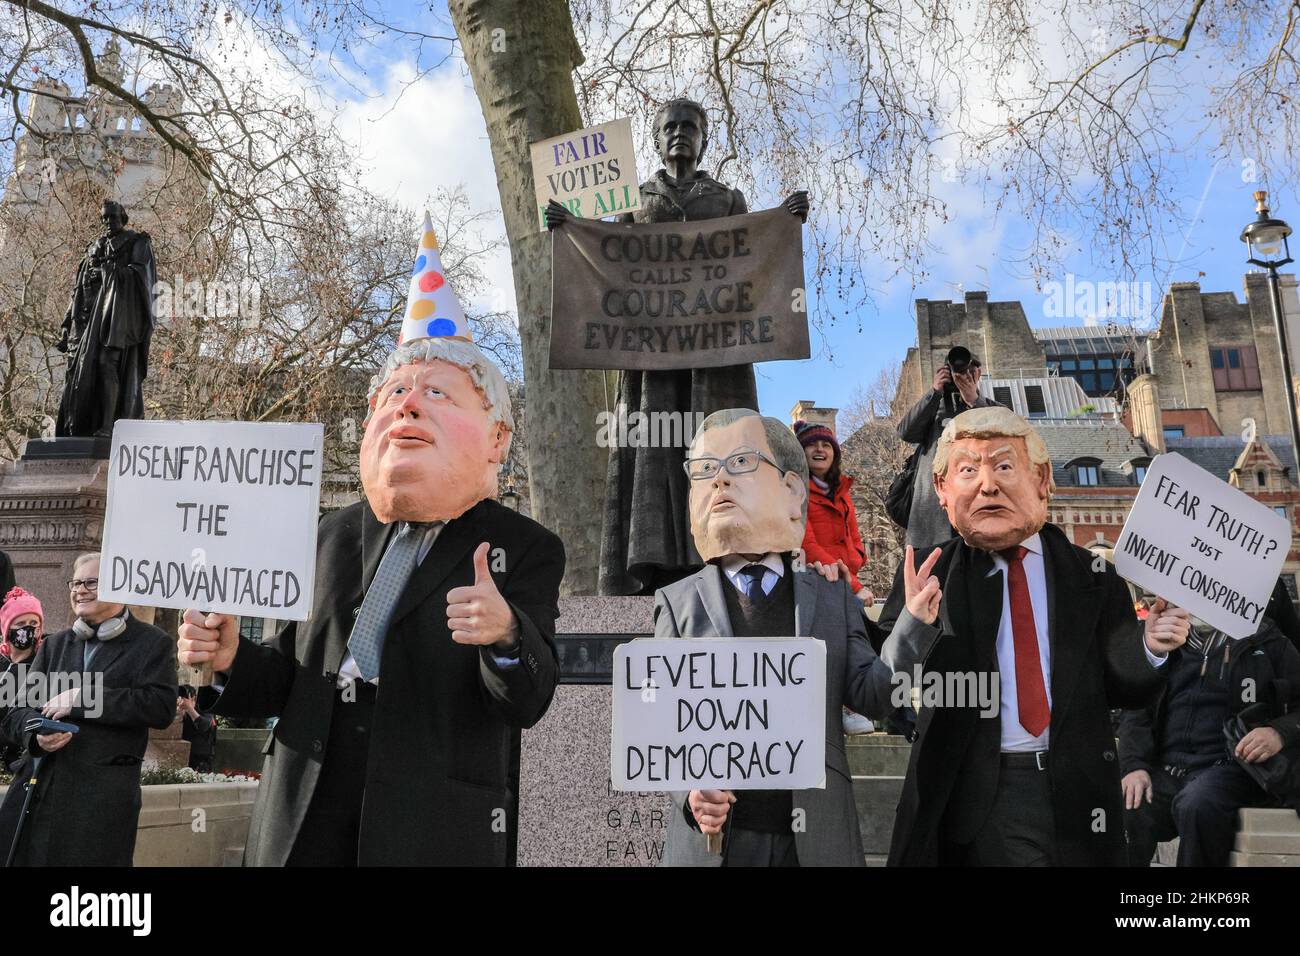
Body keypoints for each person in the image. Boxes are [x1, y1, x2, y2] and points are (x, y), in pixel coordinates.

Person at [178, 335, 565, 866]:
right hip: (305, 803)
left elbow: (527, 699)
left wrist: (507, 634)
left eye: (437, 393)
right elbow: (285, 673)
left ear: (496, 439)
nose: (407, 404)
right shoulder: (326, 534)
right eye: (395, 392)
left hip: (430, 818)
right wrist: (229, 659)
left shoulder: (527, 548)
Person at [878, 405, 1190, 866]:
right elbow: (884, 695)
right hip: (975, 801)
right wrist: (913, 626)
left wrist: (1151, 648)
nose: (988, 485)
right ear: (942, 490)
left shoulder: (1095, 576)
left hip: (1079, 795)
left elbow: (1125, 687)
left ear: (1042, 479)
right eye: (968, 470)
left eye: (1005, 466)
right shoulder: (925, 574)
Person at [546, 96, 810, 596]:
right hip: (652, 364)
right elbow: (605, 256)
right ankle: (653, 564)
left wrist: (786, 218)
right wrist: (567, 227)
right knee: (655, 452)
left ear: (705, 138)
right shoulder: (635, 200)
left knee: (721, 445)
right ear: (656, 138)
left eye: (690, 126)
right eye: (670, 126)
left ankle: (722, 553)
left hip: (716, 360)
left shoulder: (726, 198)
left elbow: (755, 256)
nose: (680, 134)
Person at [655, 409, 929, 867]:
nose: (719, 482)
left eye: (740, 463)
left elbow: (873, 695)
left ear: (791, 491)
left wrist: (913, 624)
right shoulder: (676, 603)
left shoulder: (831, 593)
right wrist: (690, 792)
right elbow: (660, 724)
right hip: (715, 847)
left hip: (813, 843)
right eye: (705, 470)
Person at [0, 553, 176, 866]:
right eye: (76, 583)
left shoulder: (151, 643)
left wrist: (83, 699)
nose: (80, 589)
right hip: (44, 802)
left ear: (120, 586)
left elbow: (160, 707)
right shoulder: (55, 645)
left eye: (91, 582)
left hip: (102, 809)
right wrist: (36, 736)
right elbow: (17, 715)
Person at [1119, 610, 1300, 866]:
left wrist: (1279, 731)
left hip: (1230, 768)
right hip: (1166, 770)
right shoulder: (1160, 641)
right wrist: (1133, 766)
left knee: (1197, 805)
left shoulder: (1268, 641)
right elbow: (1136, 710)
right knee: (1126, 803)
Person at [792, 419, 875, 734]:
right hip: (816, 578)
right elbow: (806, 543)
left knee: (855, 643)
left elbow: (853, 536)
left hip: (844, 579)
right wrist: (853, 583)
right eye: (812, 444)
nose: (820, 449)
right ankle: (839, 709)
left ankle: (853, 705)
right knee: (830, 645)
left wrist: (857, 560)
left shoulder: (842, 490)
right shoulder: (796, 489)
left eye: (826, 445)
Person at [56, 200, 157, 438]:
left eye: (112, 217)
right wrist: (65, 323)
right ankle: (75, 429)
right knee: (76, 374)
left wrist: (108, 273)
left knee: (106, 365)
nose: (108, 222)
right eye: (104, 218)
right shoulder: (94, 247)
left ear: (123, 217)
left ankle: (108, 426)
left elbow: (142, 275)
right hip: (84, 320)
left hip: (115, 317)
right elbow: (78, 288)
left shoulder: (136, 241)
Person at [896, 354, 999, 549]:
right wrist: (935, 392)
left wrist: (973, 401)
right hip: (932, 517)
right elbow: (906, 432)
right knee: (931, 573)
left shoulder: (990, 408)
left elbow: (1003, 438)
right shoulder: (933, 408)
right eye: (954, 371)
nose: (960, 376)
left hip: (977, 508)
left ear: (978, 373)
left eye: (968, 371)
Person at [0, 587, 45, 774]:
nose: (28, 628)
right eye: (21, 623)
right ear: (7, 628)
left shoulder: (46, 662)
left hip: (24, 759)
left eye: (33, 622)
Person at [177, 685, 218, 774]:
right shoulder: (177, 710)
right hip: (180, 755)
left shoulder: (204, 709)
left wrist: (189, 709)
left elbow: (204, 726)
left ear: (193, 698)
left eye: (186, 698)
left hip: (201, 759)